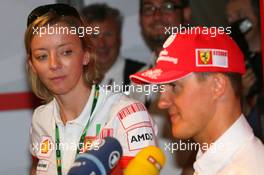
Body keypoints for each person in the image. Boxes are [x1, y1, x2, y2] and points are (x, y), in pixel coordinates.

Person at [25, 3, 157, 175]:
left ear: (86, 54)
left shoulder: (128, 114)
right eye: (42, 56)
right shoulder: (40, 119)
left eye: (66, 52)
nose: (54, 64)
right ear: (32, 65)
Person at [130, 27, 264, 174]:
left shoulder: (246, 169)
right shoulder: (215, 163)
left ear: (217, 86)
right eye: (161, 88)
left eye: (174, 86)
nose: (162, 102)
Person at [138, 1, 195, 174]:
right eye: (149, 9)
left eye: (167, 7)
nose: (157, 15)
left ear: (185, 14)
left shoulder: (201, 70)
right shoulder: (136, 80)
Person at [81, 3, 145, 88]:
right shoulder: (74, 78)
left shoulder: (142, 76)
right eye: (94, 36)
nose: (102, 44)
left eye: (108, 34)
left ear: (119, 38)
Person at [226, 0, 263, 142]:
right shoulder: (230, 64)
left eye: (240, 15)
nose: (234, 23)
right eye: (229, 18)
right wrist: (241, 93)